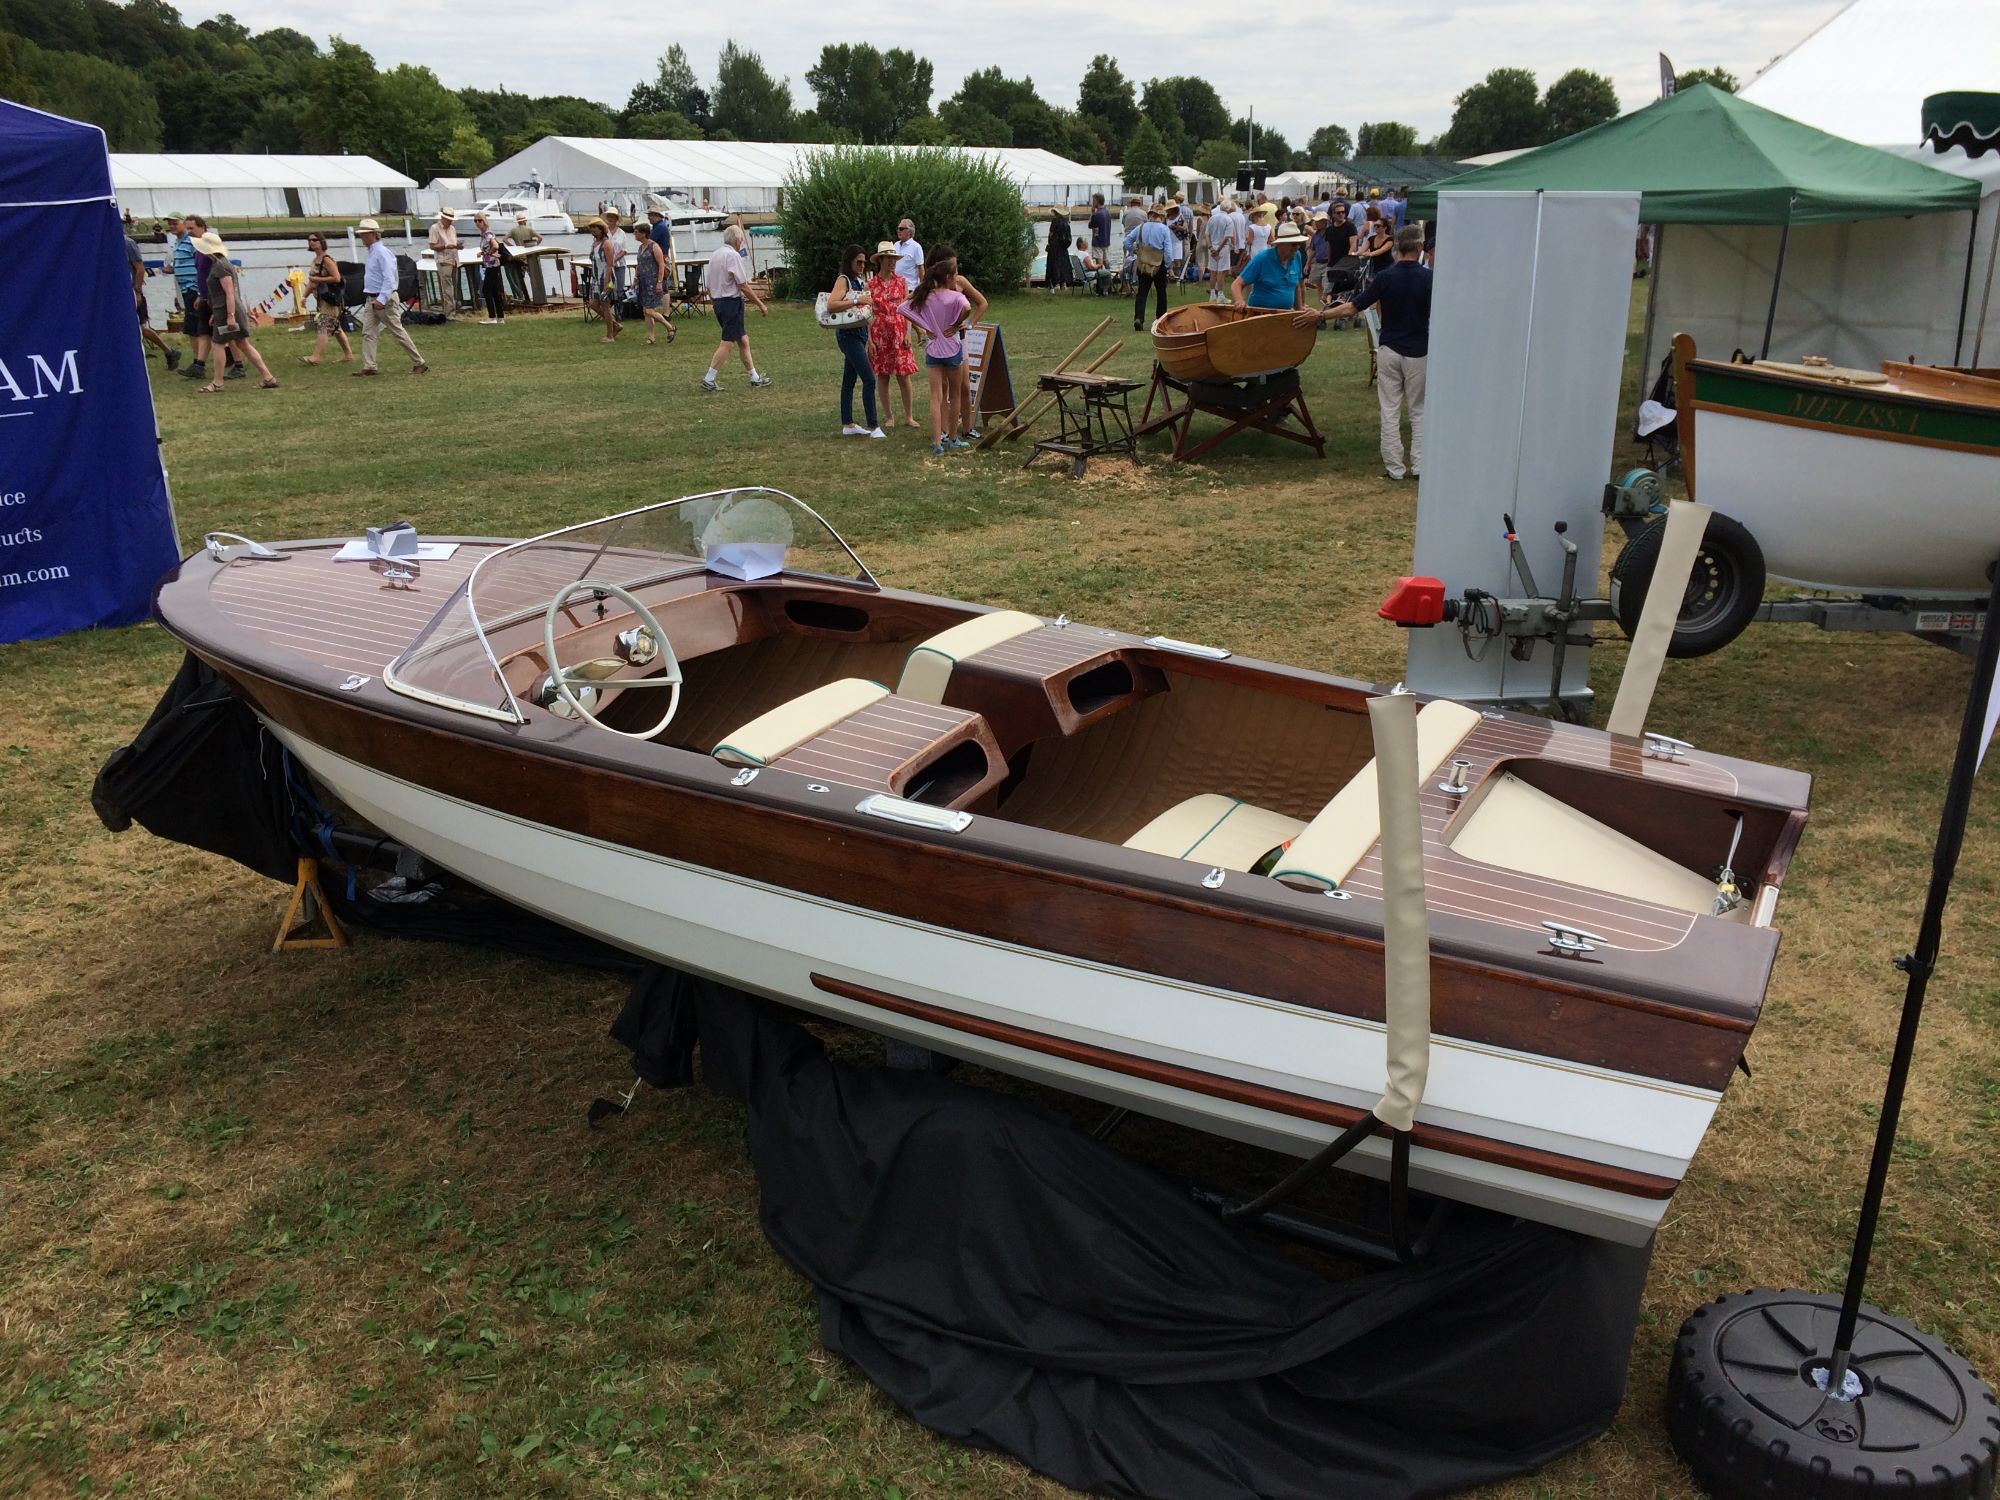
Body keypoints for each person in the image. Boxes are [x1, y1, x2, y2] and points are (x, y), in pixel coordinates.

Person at [1303, 224, 1430, 480]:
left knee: (1390, 409)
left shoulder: (1385, 277)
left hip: (1389, 348)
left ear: (1396, 248)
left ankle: (1394, 468)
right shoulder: (1430, 279)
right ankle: (1419, 466)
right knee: (1418, 411)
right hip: (1419, 351)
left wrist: (1322, 314)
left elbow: (1352, 308)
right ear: (1419, 248)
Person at [898, 247, 972, 454]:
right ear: (948, 277)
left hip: (933, 350)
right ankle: (953, 438)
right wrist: (957, 324)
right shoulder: (954, 296)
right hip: (952, 349)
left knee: (935, 396)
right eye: (955, 274)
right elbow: (967, 308)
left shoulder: (925, 295)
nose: (956, 277)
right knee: (955, 394)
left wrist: (925, 326)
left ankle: (937, 441)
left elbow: (902, 308)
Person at [190, 231, 277, 392]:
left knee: (218, 344)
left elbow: (230, 292)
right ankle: (267, 377)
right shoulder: (219, 264)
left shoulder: (221, 266)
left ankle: (217, 382)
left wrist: (230, 316)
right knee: (242, 343)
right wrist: (215, 314)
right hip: (222, 310)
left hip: (227, 311)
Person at [700, 224, 772, 393]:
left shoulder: (715, 255)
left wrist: (715, 301)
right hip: (731, 303)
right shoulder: (733, 256)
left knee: (743, 340)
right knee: (728, 342)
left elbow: (709, 284)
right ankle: (709, 378)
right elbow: (743, 285)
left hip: (718, 302)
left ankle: (754, 376)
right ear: (738, 240)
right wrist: (760, 304)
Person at [353, 218, 428, 376]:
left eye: (365, 234)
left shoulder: (381, 252)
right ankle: (369, 365)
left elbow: (390, 278)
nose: (362, 238)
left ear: (374, 234)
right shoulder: (374, 252)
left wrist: (382, 298)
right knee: (368, 332)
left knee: (397, 330)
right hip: (372, 298)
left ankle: (419, 362)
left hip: (383, 299)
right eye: (362, 234)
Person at [825, 243, 885, 439]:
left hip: (859, 334)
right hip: (848, 335)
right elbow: (832, 305)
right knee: (868, 378)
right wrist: (856, 301)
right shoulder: (844, 280)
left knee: (849, 380)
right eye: (858, 262)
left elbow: (864, 313)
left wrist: (869, 337)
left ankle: (848, 423)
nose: (861, 266)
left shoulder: (858, 281)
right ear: (849, 261)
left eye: (863, 262)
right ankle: (874, 426)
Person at [866, 241, 920, 430]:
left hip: (898, 330)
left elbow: (908, 309)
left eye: (894, 258)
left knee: (904, 375)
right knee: (883, 375)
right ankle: (889, 416)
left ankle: (909, 416)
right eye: (889, 258)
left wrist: (907, 332)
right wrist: (870, 340)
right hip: (880, 331)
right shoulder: (870, 284)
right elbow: (866, 313)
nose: (892, 262)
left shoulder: (902, 281)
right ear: (880, 260)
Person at [126, 229, 179, 369]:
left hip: (131, 291)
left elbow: (140, 268)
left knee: (139, 327)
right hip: (116, 294)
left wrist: (137, 291)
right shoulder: (105, 244)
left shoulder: (127, 243)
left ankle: (169, 351)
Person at [947, 264, 988, 443]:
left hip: (959, 339)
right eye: (951, 269)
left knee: (964, 386)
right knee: (943, 388)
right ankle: (943, 431)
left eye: (956, 269)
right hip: (941, 342)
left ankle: (967, 428)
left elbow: (982, 303)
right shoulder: (933, 284)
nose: (955, 274)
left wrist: (970, 323)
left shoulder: (960, 281)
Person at [1233, 220, 1310, 313]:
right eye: (1293, 244)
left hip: (1284, 314)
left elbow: (1296, 286)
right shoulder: (1262, 259)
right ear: (1280, 244)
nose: (1297, 247)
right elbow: (1237, 284)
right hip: (1260, 315)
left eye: (1299, 244)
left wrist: (1299, 311)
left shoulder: (1297, 255)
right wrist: (1239, 300)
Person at [301, 232, 353, 365]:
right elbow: (312, 282)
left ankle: (316, 357)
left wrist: (317, 279)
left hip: (331, 300)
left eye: (314, 240)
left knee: (323, 325)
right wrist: (304, 296)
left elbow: (337, 278)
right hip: (322, 299)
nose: (312, 242)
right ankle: (348, 355)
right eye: (309, 240)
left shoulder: (327, 260)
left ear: (321, 242)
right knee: (336, 328)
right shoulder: (315, 260)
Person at [168, 214, 210, 379]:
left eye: (175, 223)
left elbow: (201, 265)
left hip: (193, 289)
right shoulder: (177, 243)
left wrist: (200, 291)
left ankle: (198, 364)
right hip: (186, 289)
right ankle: (201, 362)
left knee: (195, 328)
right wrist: (173, 268)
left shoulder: (193, 242)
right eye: (170, 224)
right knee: (199, 328)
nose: (172, 226)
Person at [1125, 203, 1175, 332]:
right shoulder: (1164, 229)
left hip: (1143, 263)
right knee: (1161, 293)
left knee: (1142, 292)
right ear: (1161, 216)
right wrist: (1169, 266)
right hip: (1159, 264)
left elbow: (1127, 241)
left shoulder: (1141, 227)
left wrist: (1134, 251)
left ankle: (1139, 317)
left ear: (1150, 215)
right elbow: (1168, 250)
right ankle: (1160, 319)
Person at [632, 222, 675, 345]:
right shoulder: (641, 248)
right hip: (643, 282)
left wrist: (659, 282)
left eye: (637, 232)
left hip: (653, 281)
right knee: (646, 311)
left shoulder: (654, 246)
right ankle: (651, 336)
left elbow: (661, 265)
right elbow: (639, 265)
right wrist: (635, 280)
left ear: (644, 233)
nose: (634, 234)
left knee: (650, 311)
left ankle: (669, 327)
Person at [585, 219, 621, 342]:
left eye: (594, 229)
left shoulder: (607, 244)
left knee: (605, 306)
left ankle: (610, 335)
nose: (592, 232)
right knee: (593, 304)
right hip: (596, 278)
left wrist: (606, 283)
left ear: (601, 229)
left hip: (606, 277)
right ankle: (615, 324)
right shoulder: (594, 243)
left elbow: (610, 264)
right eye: (591, 229)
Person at [473, 213, 506, 324]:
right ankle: (500, 317)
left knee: (486, 290)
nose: (477, 223)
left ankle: (492, 316)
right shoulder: (484, 234)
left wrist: (487, 253)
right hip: (491, 264)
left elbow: (495, 246)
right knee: (494, 291)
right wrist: (483, 253)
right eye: (475, 221)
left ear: (484, 221)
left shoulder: (487, 233)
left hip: (492, 265)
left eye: (479, 220)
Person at [1204, 197, 1238, 303]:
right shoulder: (1228, 219)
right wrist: (1218, 249)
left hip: (1212, 247)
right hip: (1222, 249)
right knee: (1221, 272)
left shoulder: (1212, 218)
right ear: (1228, 208)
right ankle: (1220, 295)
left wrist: (1210, 247)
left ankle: (1213, 294)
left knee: (1213, 272)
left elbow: (1207, 234)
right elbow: (1227, 236)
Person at [428, 209, 461, 311]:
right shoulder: (435, 228)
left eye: (451, 220)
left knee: (454, 287)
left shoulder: (452, 229)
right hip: (443, 261)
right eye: (449, 220)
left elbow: (453, 243)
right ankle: (449, 313)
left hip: (454, 260)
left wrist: (457, 246)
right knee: (447, 289)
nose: (451, 222)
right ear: (443, 218)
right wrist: (446, 246)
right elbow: (432, 246)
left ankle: (453, 310)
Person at [1357, 204, 1393, 284]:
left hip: (1387, 266)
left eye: (1378, 226)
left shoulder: (1390, 239)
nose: (1376, 227)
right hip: (1375, 267)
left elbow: (1381, 250)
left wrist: (1369, 254)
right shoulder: (1371, 238)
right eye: (1375, 226)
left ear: (1385, 227)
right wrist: (1356, 254)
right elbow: (1362, 249)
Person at [1045, 206, 1075, 292]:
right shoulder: (1066, 222)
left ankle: (1056, 283)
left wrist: (1049, 242)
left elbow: (1051, 234)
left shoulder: (1055, 221)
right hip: (1063, 246)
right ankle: (1064, 284)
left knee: (1055, 264)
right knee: (1063, 264)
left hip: (1055, 246)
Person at [892, 218, 923, 294]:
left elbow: (921, 269)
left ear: (909, 231)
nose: (898, 231)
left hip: (910, 289)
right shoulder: (895, 245)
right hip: (895, 288)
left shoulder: (916, 247)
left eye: (901, 229)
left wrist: (922, 289)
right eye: (898, 228)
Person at [1088, 193, 1111, 261]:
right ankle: (1108, 271)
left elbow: (1090, 225)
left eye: (1093, 201)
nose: (1092, 202)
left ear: (1096, 201)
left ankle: (1100, 271)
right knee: (1105, 261)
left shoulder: (1097, 214)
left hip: (1098, 241)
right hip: (1106, 240)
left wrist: (1092, 213)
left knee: (1099, 262)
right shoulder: (1107, 212)